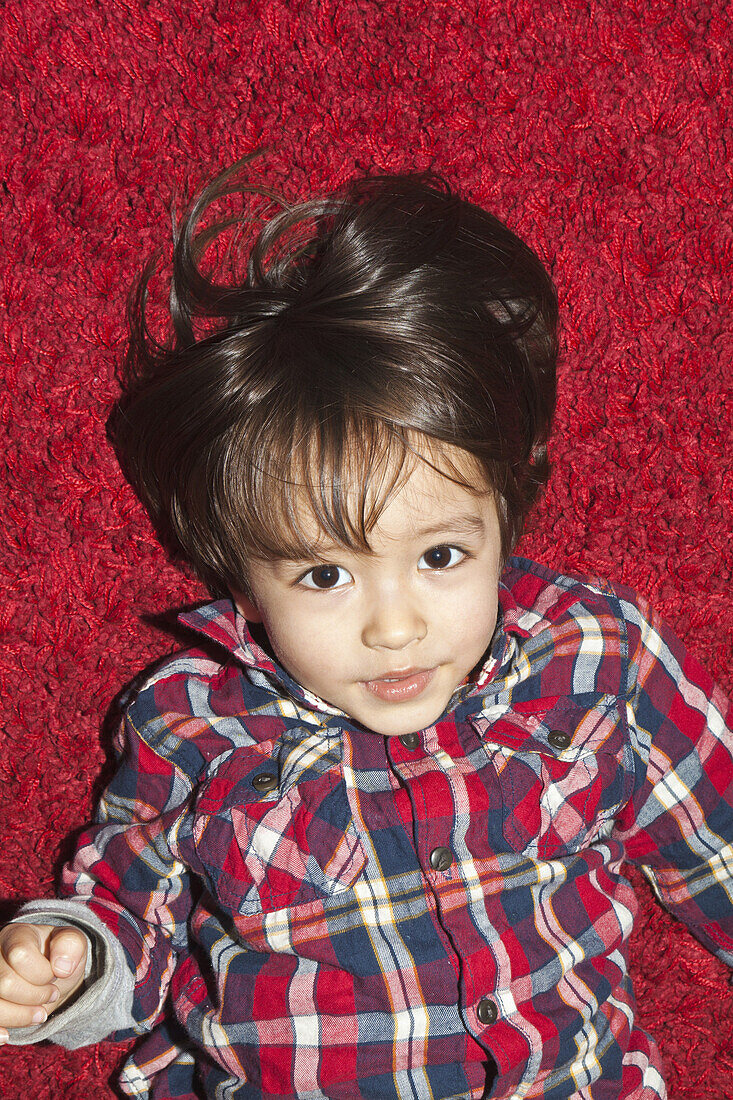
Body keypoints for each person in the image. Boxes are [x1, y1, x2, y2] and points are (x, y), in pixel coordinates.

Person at [0, 157, 731, 1100]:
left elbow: (715, 834)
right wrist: (66, 963)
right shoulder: (193, 721)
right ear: (245, 587)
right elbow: (128, 909)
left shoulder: (594, 656)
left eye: (439, 557)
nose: (395, 627)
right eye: (325, 574)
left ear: (505, 520)